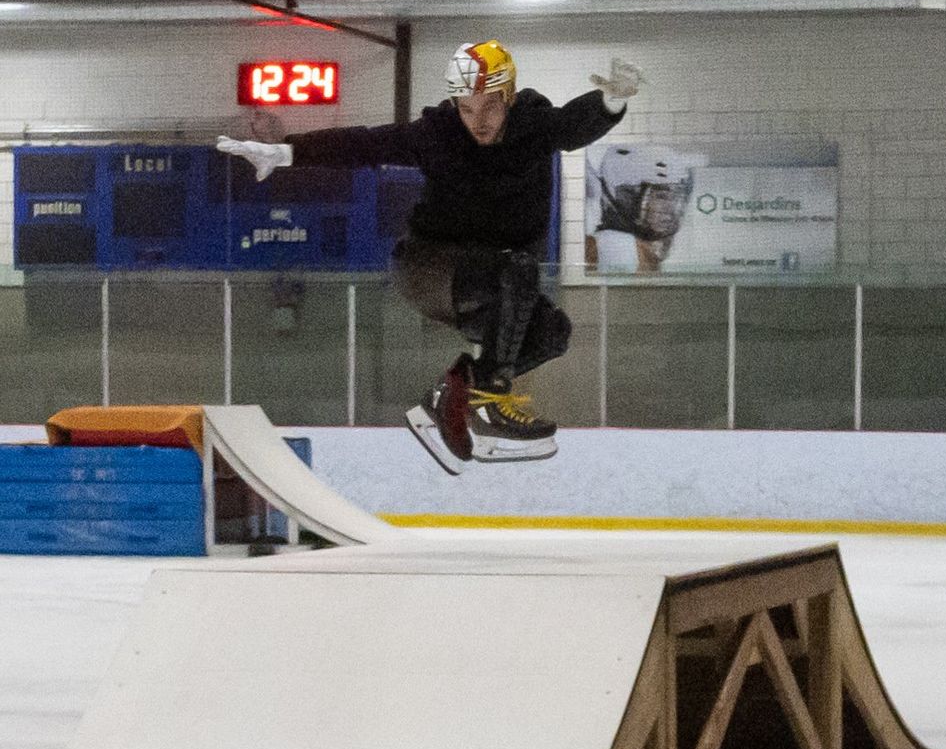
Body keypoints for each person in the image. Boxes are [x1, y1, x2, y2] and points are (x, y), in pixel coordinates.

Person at [217, 41, 642, 472]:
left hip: (494, 280)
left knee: (551, 332)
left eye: (490, 108)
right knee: (517, 268)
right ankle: (487, 403)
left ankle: (451, 395)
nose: (478, 121)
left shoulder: (533, 126)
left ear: (509, 98)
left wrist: (611, 101)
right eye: (467, 109)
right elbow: (368, 144)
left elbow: (571, 126)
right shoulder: (439, 134)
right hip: (429, 267)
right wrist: (288, 151)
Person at [585, 142, 696, 273]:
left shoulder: (645, 252)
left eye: (675, 197)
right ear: (627, 197)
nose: (670, 208)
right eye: (661, 196)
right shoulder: (615, 246)